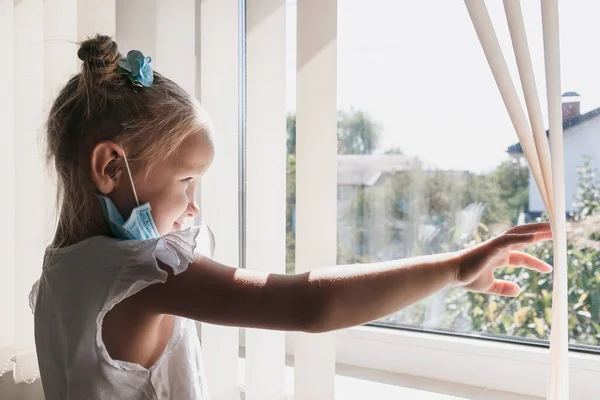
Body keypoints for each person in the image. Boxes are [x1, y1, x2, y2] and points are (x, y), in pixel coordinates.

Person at [30, 34, 553, 400]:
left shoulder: (61, 272)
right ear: (109, 166)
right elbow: (309, 304)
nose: (194, 206)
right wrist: (456, 268)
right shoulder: (143, 274)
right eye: (186, 181)